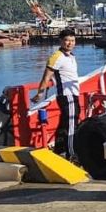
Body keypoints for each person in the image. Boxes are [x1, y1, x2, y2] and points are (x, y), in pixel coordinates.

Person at [32, 29, 80, 159]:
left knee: (65, 124)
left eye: (72, 40)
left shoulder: (71, 56)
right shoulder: (57, 57)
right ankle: (72, 154)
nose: (70, 43)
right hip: (67, 95)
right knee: (71, 125)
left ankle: (59, 151)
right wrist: (40, 93)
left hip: (73, 94)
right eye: (67, 40)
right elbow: (46, 76)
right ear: (61, 41)